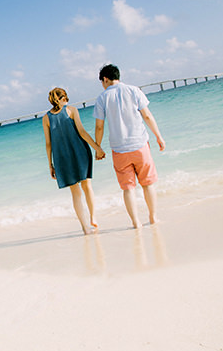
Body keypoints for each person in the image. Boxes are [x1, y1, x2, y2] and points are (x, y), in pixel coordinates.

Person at [94, 64, 165, 229]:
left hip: (119, 150)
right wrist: (158, 136)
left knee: (128, 188)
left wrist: (98, 147)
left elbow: (99, 127)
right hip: (140, 145)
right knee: (148, 184)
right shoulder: (134, 90)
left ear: (105, 79)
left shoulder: (102, 98)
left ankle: (136, 223)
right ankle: (153, 218)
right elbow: (146, 115)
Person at [43, 87, 106, 235]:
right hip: (79, 152)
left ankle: (84, 227)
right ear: (64, 97)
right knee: (87, 186)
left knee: (75, 193)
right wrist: (97, 148)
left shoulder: (46, 118)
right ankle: (93, 217)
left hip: (61, 158)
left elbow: (48, 144)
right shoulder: (71, 110)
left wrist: (50, 164)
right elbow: (82, 132)